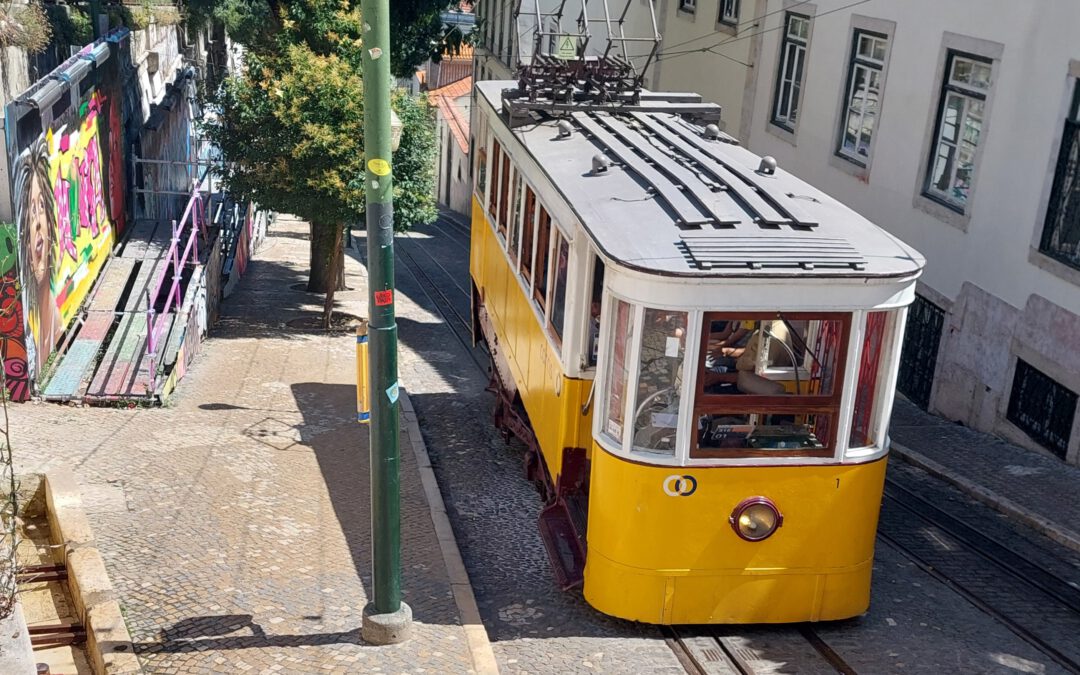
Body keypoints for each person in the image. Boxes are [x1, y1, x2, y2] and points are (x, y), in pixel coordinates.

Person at [15, 138, 61, 376]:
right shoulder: (30, 335)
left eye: (41, 207)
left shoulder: (55, 324)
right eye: (31, 211)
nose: (38, 223)